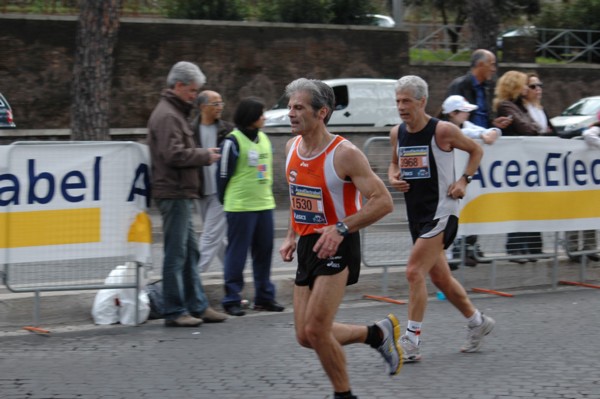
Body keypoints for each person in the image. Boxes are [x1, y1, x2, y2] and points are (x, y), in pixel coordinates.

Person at [279, 78, 401, 399]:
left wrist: (341, 228)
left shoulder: (344, 153)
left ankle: (344, 395)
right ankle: (375, 334)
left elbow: (382, 201)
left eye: (299, 107)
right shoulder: (291, 148)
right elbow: (299, 197)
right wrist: (291, 235)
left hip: (339, 242)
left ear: (322, 112)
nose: (291, 113)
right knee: (305, 335)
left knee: (318, 330)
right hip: (308, 244)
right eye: (290, 106)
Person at [388, 75, 495, 363]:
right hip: (416, 214)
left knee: (413, 272)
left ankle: (411, 341)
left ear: (422, 102)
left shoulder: (443, 131)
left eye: (406, 101)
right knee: (441, 278)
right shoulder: (397, 133)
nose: (401, 106)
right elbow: (394, 163)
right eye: (398, 101)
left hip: (442, 212)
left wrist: (464, 180)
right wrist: (392, 176)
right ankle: (477, 322)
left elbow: (476, 150)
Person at [147, 61, 228, 327]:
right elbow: (173, 154)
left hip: (179, 190)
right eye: (193, 91)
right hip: (173, 191)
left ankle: (197, 305)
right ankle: (175, 309)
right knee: (176, 254)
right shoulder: (168, 115)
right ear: (179, 86)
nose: (196, 97)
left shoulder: (174, 112)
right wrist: (205, 155)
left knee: (190, 253)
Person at [217, 97, 284, 317]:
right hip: (240, 207)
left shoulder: (263, 138)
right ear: (251, 116)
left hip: (264, 204)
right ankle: (232, 298)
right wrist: (225, 200)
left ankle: (264, 297)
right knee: (237, 254)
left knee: (264, 253)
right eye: (261, 114)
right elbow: (223, 175)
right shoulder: (232, 141)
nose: (264, 117)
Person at [446, 49, 513, 265]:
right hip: (466, 147)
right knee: (461, 197)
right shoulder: (461, 85)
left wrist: (494, 125)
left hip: (481, 144)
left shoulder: (484, 87)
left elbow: (480, 116)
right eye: (491, 63)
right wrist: (481, 132)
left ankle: (471, 245)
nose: (494, 68)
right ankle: (457, 248)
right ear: (480, 64)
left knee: (478, 197)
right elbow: (460, 121)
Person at [439, 94, 501, 267]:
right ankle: (446, 256)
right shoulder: (444, 128)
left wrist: (494, 131)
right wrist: (483, 134)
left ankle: (452, 255)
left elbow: (484, 131)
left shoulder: (466, 125)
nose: (467, 114)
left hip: (459, 181)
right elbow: (465, 134)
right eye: (463, 111)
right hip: (444, 180)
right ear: (453, 113)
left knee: (456, 215)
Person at [493, 70, 544, 262]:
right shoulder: (507, 105)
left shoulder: (523, 106)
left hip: (526, 161)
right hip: (515, 162)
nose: (527, 88)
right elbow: (528, 128)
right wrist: (537, 129)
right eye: (524, 84)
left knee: (530, 203)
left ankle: (531, 247)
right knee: (518, 203)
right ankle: (515, 248)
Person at [191, 90, 234, 273]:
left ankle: (192, 282)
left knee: (209, 236)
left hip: (221, 192)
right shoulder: (189, 130)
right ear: (202, 107)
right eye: (215, 104)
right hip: (199, 191)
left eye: (221, 103)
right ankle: (234, 277)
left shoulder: (228, 130)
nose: (220, 107)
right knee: (217, 238)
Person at [566, 118, 600, 263]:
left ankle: (590, 247)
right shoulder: (596, 128)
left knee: (591, 213)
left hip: (593, 180)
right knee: (576, 212)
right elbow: (588, 135)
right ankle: (573, 248)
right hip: (580, 177)